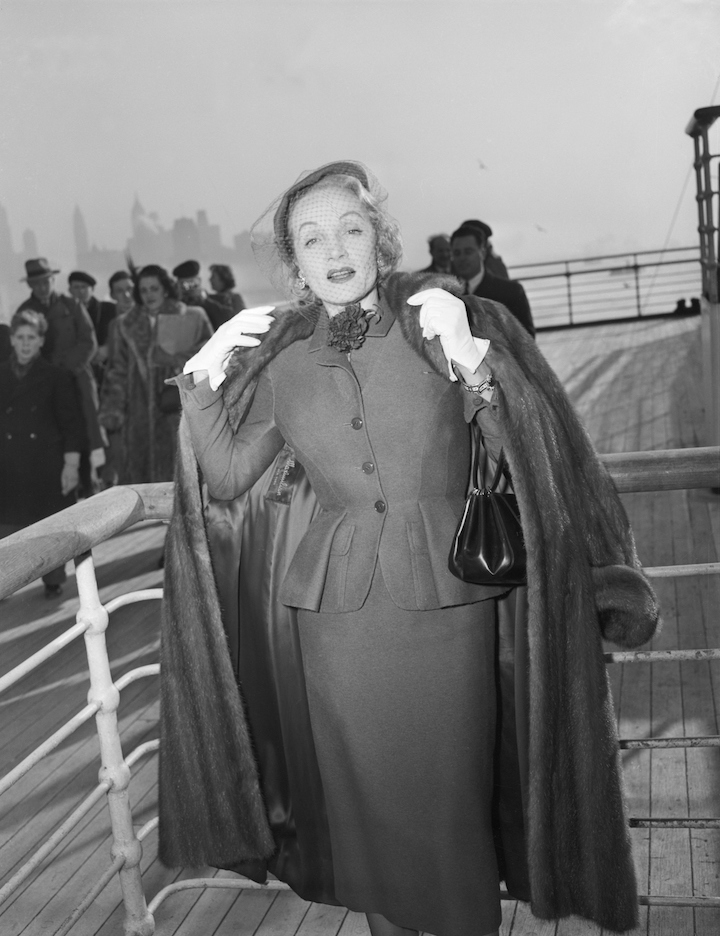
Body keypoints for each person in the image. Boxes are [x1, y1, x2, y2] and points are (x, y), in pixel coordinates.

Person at [159, 161, 659, 936]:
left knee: (448, 809)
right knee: (370, 828)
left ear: (380, 239)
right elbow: (224, 476)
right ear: (293, 262)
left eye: (351, 228)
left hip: (445, 608)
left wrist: (471, 361)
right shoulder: (284, 363)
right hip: (333, 625)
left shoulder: (439, 324)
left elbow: (521, 450)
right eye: (311, 237)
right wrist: (202, 377)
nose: (335, 249)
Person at [98, 264, 212, 484]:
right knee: (141, 482)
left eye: (154, 289)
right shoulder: (124, 325)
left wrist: (175, 360)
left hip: (179, 411)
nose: (149, 295)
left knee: (182, 477)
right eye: (143, 290)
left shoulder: (191, 316)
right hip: (138, 416)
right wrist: (112, 412)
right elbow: (117, 371)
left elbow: (209, 356)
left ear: (165, 289)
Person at [0, 310, 85, 597]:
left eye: (31, 338)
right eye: (20, 337)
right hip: (8, 462)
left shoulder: (56, 376)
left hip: (44, 463)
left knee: (48, 524)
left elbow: (72, 424)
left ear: (40, 342)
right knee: (6, 525)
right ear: (12, 339)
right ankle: (5, 581)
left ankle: (53, 578)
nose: (25, 343)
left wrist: (71, 465)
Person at [451, 224, 535, 337]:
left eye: (468, 251)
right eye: (457, 253)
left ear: (483, 253)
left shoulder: (511, 292)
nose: (462, 258)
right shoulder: (447, 294)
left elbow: (527, 339)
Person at [68, 270, 118, 389]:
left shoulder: (110, 310)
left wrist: (108, 348)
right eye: (76, 287)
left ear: (92, 289)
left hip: (108, 370)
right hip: (79, 370)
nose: (80, 291)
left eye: (84, 287)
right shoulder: (65, 313)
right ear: (69, 290)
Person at [173, 259, 233, 330]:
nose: (188, 288)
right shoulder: (175, 303)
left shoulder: (217, 300)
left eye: (191, 283)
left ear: (198, 281)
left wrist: (204, 300)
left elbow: (229, 320)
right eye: (183, 284)